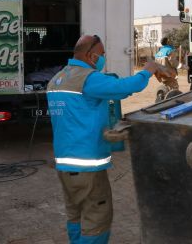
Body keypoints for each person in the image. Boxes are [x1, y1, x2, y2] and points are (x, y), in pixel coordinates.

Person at [47, 34, 163, 244]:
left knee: (76, 215)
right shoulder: (87, 78)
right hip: (87, 169)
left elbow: (79, 115)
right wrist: (148, 70)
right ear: (91, 56)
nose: (103, 58)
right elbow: (126, 88)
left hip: (65, 165)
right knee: (97, 220)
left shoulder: (57, 79)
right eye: (102, 54)